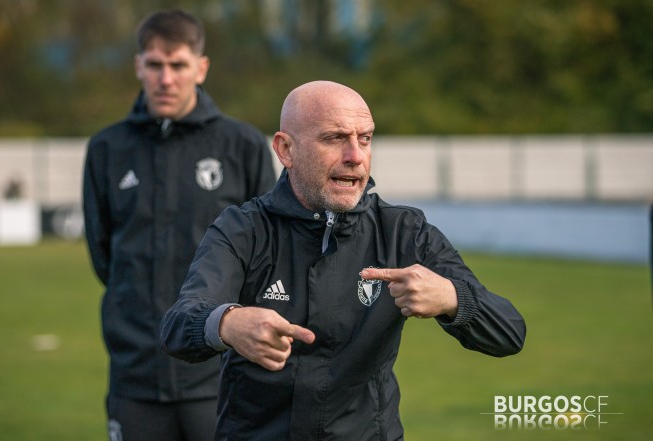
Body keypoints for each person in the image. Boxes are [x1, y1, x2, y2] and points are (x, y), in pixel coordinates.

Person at [160, 80, 526, 440]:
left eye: (364, 138)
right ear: (286, 150)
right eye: (334, 138)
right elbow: (178, 325)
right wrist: (227, 323)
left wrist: (452, 299)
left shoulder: (403, 231)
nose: (355, 156)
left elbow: (509, 333)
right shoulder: (243, 229)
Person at [83, 9, 276, 441]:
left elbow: (265, 254)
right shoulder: (107, 148)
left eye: (178, 65)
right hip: (136, 374)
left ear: (201, 68)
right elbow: (103, 256)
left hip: (220, 372)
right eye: (154, 65)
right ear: (138, 66)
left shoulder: (241, 145)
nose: (165, 78)